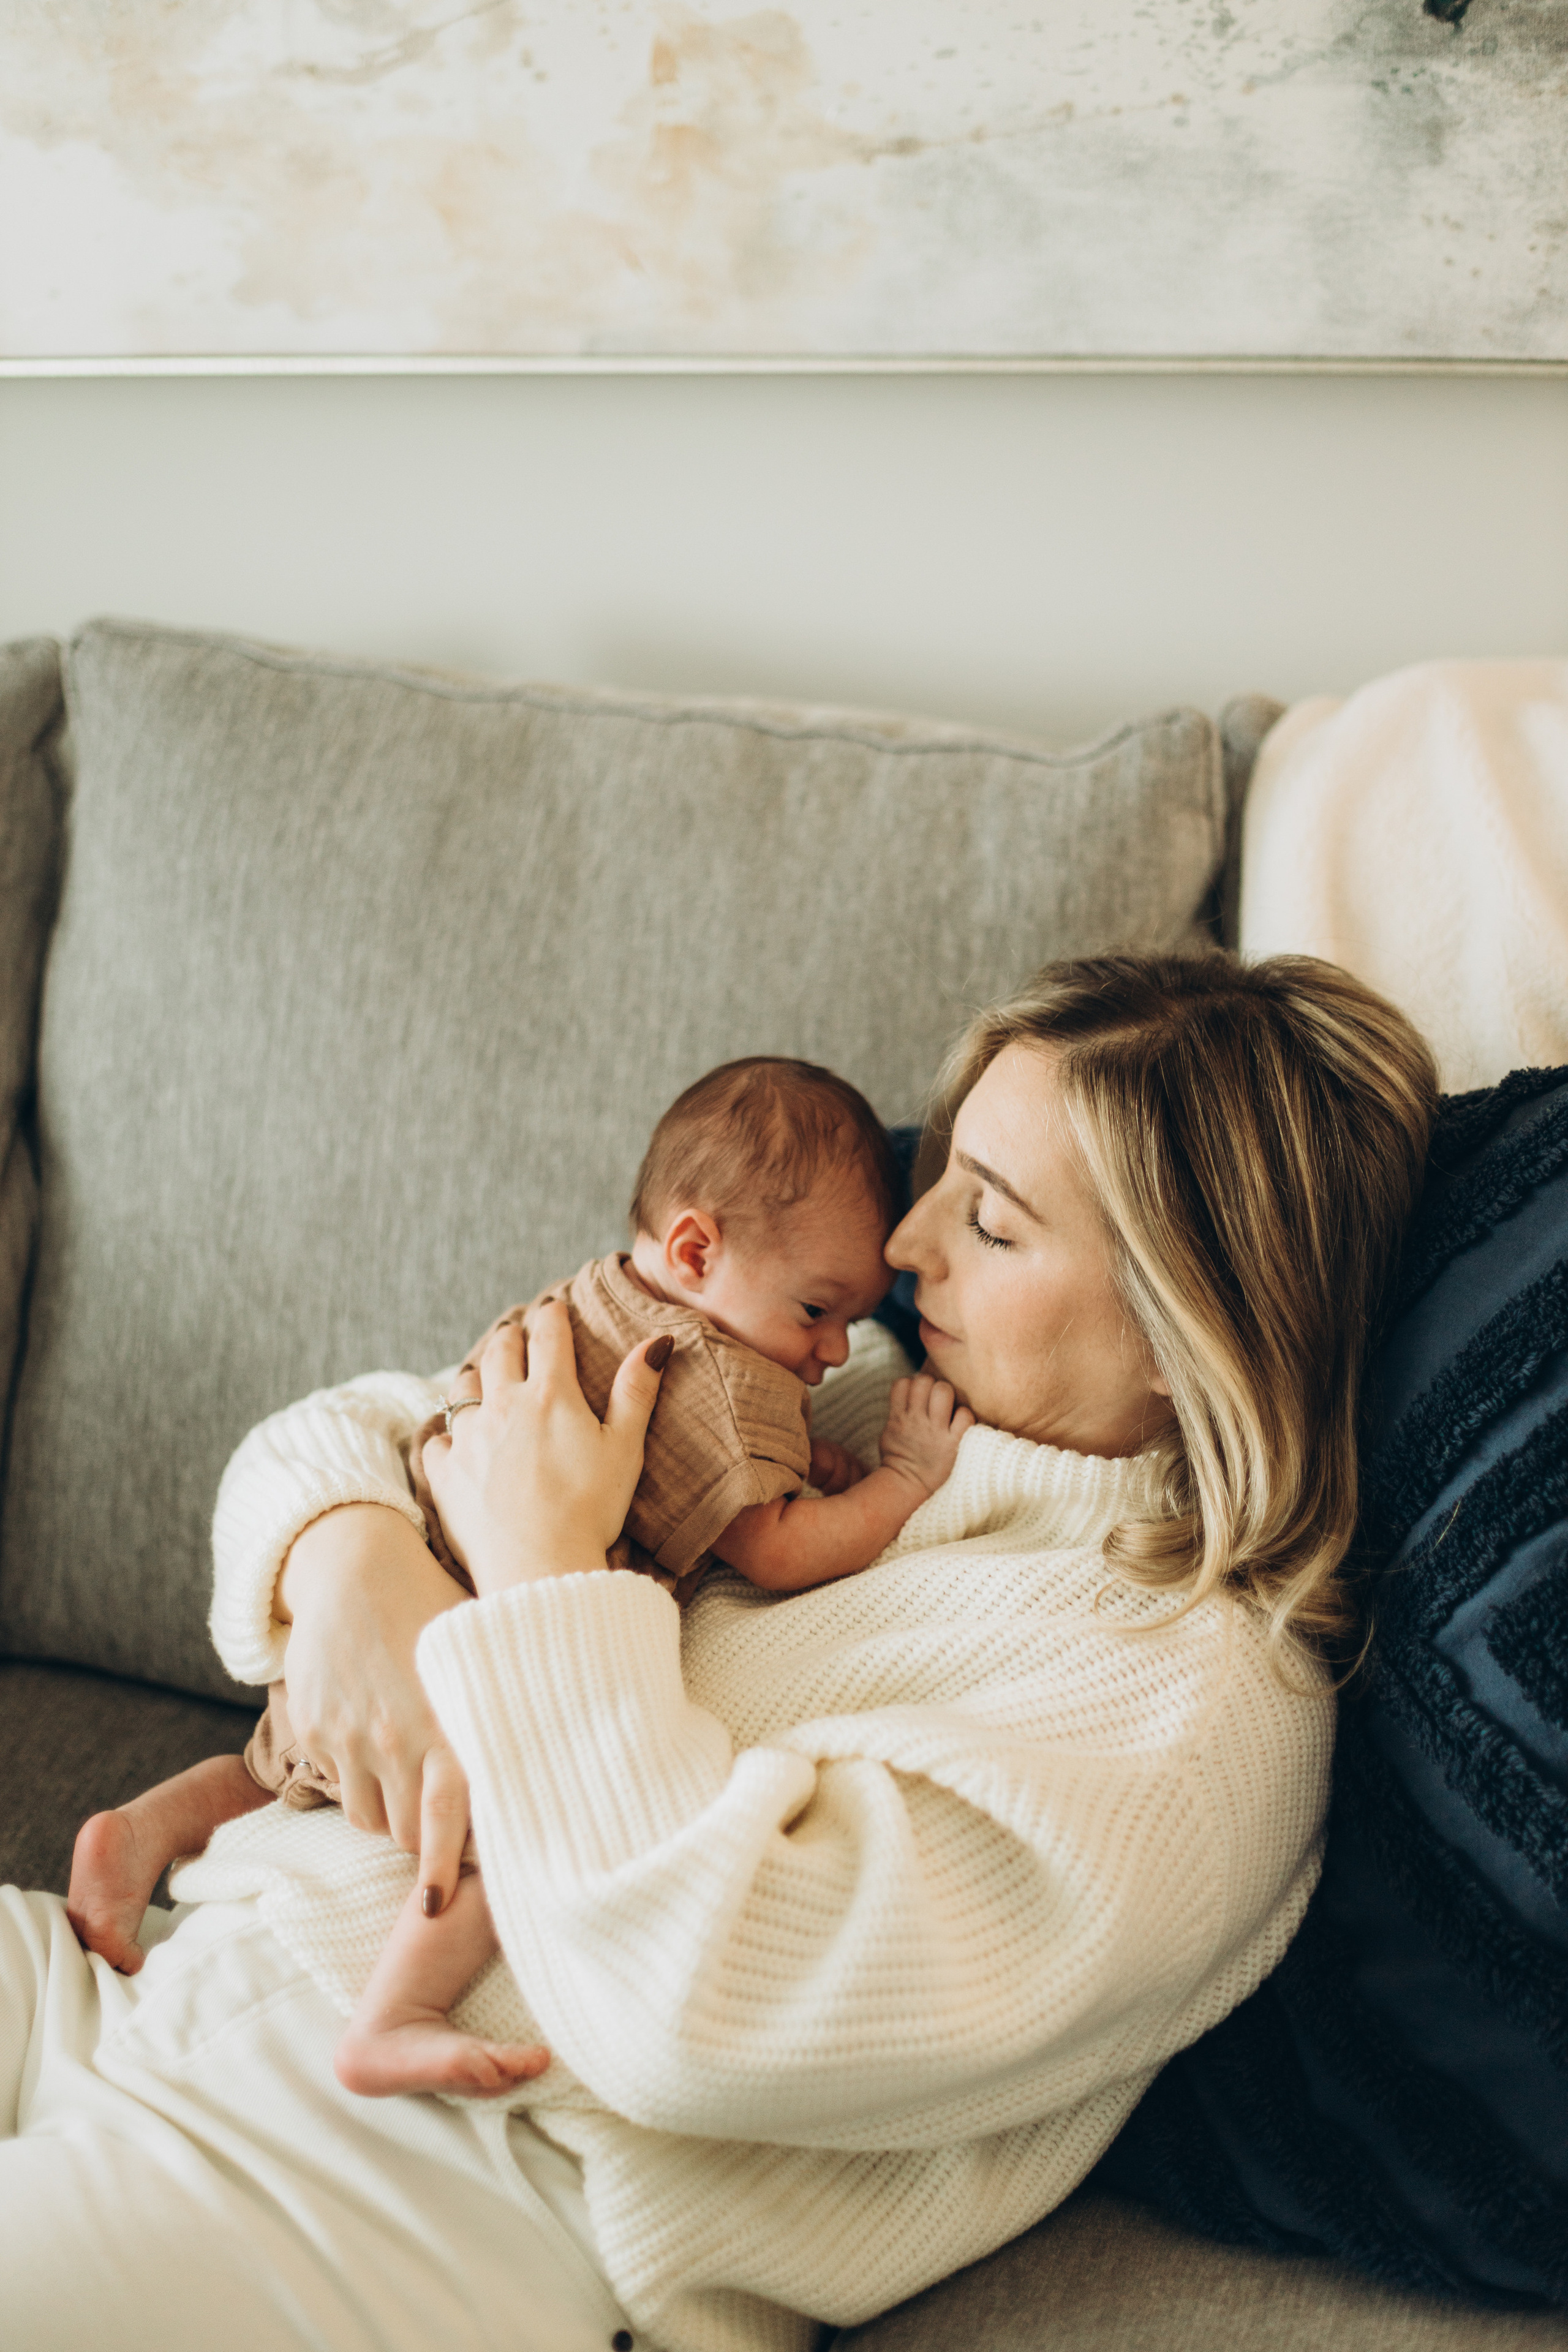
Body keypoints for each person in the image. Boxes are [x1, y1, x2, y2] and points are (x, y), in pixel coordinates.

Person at [0, 952, 1439, 2352]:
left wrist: (542, 1570)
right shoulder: (877, 1396)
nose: (903, 1247)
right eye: (941, 1173)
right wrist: (349, 1563)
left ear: (1188, 1332)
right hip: (162, 1965)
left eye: (991, 1223)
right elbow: (357, 1428)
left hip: (440, 2176)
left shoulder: (1186, 1715)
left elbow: (693, 2011)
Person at [65, 1057, 974, 2102]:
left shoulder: (593, 1296)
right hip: (476, 1648)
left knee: (286, 1764)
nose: (833, 1352)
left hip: (380, 1608)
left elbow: (679, 1452)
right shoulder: (733, 1380)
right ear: (695, 1250)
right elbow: (775, 1546)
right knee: (509, 1835)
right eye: (818, 1311)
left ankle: (143, 1828)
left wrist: (806, 1455)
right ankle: (397, 2013)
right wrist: (903, 1482)